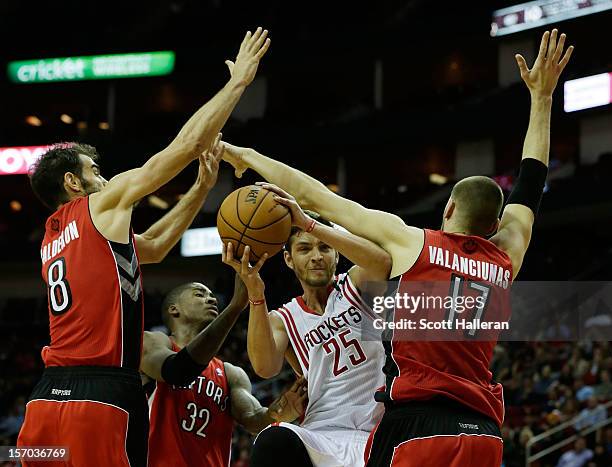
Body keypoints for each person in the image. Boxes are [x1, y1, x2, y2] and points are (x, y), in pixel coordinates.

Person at [221, 29, 573, 467]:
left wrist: (251, 156)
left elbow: (318, 196)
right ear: (496, 226)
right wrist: (543, 99)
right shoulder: (506, 259)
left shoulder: (412, 243)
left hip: (415, 428)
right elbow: (531, 183)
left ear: (447, 209)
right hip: (484, 434)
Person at [17, 27, 271, 467]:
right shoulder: (99, 204)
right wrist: (238, 83)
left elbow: (150, 248)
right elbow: (187, 145)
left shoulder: (53, 238)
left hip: (44, 402)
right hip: (99, 399)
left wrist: (200, 189)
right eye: (94, 171)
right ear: (73, 183)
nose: (104, 177)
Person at [222, 189, 391, 467]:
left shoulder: (357, 286)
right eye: (304, 248)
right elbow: (265, 367)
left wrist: (311, 224)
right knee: (271, 440)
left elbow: (382, 262)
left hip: (378, 433)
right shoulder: (284, 317)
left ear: (337, 255)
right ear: (289, 259)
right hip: (321, 433)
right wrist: (255, 293)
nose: (316, 256)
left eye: (324, 247)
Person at [142, 275, 307, 467]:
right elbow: (177, 369)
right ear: (174, 309)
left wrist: (280, 412)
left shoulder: (229, 373)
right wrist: (235, 307)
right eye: (199, 294)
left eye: (212, 295)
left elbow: (253, 418)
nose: (211, 299)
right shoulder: (153, 342)